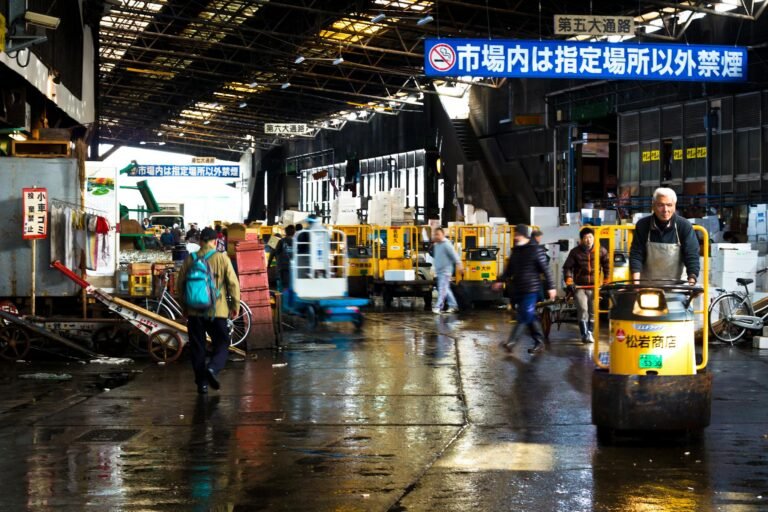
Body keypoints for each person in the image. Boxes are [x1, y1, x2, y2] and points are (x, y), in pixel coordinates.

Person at [176, 227, 241, 395]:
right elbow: (233, 284)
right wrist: (235, 306)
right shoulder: (222, 258)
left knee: (198, 348)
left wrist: (185, 307)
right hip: (216, 311)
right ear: (214, 241)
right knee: (222, 343)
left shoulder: (190, 259)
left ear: (200, 241)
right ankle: (212, 368)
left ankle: (202, 385)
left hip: (194, 313)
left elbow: (180, 285)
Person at [493, 225, 556, 354]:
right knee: (530, 315)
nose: (516, 237)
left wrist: (551, 287)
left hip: (531, 289)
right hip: (518, 289)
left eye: (518, 234)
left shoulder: (535, 250)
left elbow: (546, 270)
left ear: (524, 235)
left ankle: (511, 343)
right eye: (515, 234)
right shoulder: (516, 251)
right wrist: (500, 280)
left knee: (524, 314)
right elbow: (509, 269)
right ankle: (539, 342)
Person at [630, 187, 700, 284]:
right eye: (660, 205)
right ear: (653, 206)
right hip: (647, 286)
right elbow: (636, 254)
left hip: (677, 287)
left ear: (674, 206)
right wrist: (636, 284)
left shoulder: (684, 226)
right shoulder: (643, 225)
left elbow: (691, 255)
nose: (665, 209)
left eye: (669, 205)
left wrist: (692, 281)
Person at [563, 227, 610, 343]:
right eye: (585, 238)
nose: (588, 240)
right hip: (579, 286)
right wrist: (569, 282)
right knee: (583, 309)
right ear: (581, 240)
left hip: (595, 286)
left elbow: (607, 267)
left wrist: (606, 282)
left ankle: (590, 333)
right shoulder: (575, 252)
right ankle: (584, 335)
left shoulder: (601, 251)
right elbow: (567, 268)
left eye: (590, 237)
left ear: (594, 238)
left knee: (593, 311)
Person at [431, 227, 463, 314]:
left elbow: (454, 255)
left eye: (438, 234)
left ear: (443, 235)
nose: (436, 236)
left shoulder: (446, 244)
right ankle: (453, 306)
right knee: (446, 289)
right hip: (439, 271)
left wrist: (459, 264)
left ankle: (438, 307)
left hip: (445, 271)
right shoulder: (437, 245)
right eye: (435, 234)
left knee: (442, 289)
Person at [268, 225, 295, 292]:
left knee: (280, 285)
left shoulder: (280, 241)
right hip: (291, 267)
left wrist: (268, 265)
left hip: (281, 267)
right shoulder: (296, 242)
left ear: (285, 232)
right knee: (290, 285)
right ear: (294, 232)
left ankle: (280, 297)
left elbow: (273, 253)